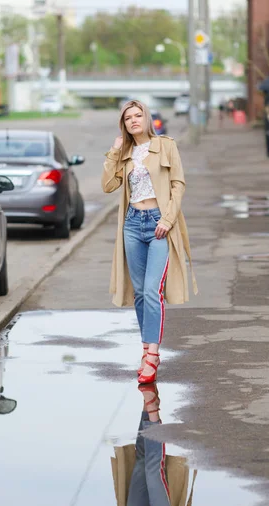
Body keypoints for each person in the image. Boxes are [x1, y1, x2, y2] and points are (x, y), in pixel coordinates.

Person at [102, 100, 197, 385]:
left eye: (138, 114)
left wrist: (167, 219)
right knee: (141, 293)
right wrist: (114, 151)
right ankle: (146, 348)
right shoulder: (125, 153)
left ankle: (153, 355)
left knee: (153, 290)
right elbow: (108, 186)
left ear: (147, 117)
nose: (133, 120)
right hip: (132, 224)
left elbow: (178, 183)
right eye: (128, 117)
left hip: (159, 224)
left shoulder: (166, 145)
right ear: (124, 124)